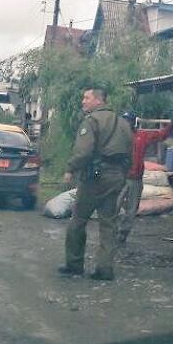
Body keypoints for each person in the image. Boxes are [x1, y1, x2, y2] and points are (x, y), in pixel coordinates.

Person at [57, 88, 133, 281]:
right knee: (108, 223)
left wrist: (70, 169)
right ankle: (105, 269)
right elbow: (129, 152)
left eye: (86, 98)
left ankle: (74, 265)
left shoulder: (91, 121)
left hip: (94, 178)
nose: (83, 101)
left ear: (98, 101)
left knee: (78, 220)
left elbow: (83, 152)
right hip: (116, 177)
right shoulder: (123, 123)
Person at [117, 112, 173, 243]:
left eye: (128, 121)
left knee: (131, 210)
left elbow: (162, 135)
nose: (126, 124)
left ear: (133, 123)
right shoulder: (116, 137)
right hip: (119, 178)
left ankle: (122, 235)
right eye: (124, 121)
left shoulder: (141, 135)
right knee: (113, 207)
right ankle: (109, 234)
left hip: (135, 178)